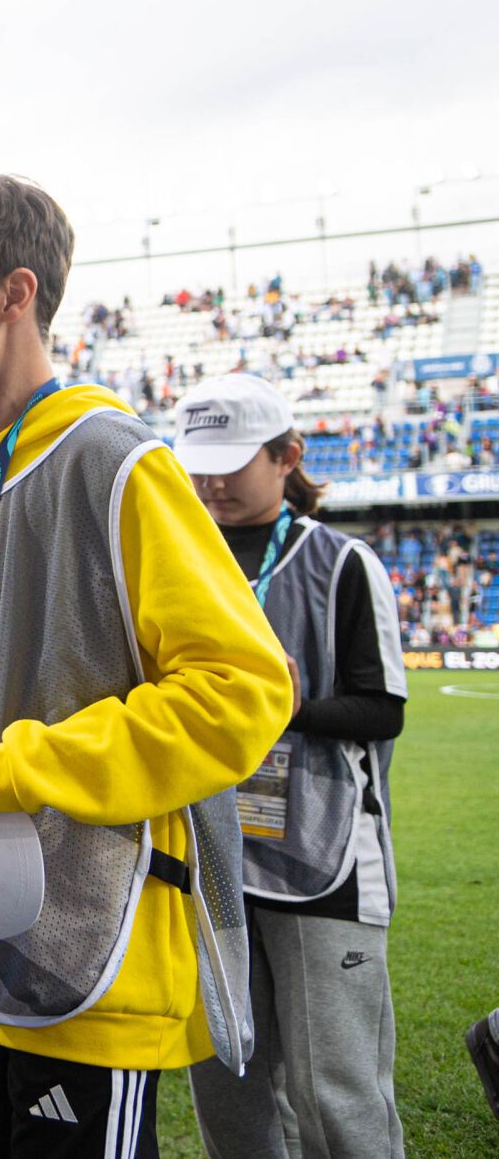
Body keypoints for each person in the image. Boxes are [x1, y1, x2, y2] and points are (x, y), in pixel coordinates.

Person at [0, 176, 291, 1157]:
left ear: (13, 293)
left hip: (94, 940)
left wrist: (4, 769)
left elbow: (241, 690)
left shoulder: (116, 461)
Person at [175, 376, 407, 1158]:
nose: (212, 482)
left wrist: (270, 705)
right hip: (211, 859)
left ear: (287, 457)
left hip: (323, 858)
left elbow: (383, 708)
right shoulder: (178, 560)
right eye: (200, 463)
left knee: (333, 1089)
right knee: (227, 1082)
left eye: (233, 463)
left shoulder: (343, 564)